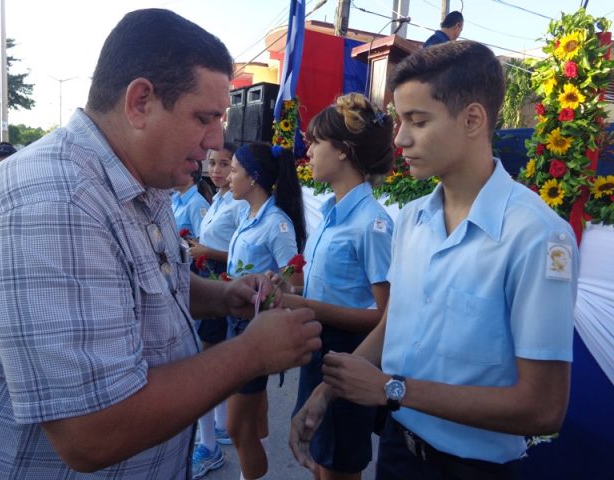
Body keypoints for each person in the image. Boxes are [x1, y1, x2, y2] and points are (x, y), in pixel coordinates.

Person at [0, 9, 321, 479]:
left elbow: (153, 281)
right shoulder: (54, 203)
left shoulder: (141, 181)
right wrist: (252, 353)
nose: (218, 138)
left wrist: (224, 296)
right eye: (204, 117)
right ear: (140, 102)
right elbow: (92, 433)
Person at [290, 41, 578, 480]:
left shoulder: (535, 236)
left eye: (417, 121)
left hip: (471, 468)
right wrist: (327, 393)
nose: (400, 138)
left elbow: (543, 409)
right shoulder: (412, 219)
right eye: (400, 121)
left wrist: (392, 389)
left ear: (473, 120)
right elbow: (395, 324)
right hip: (398, 447)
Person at [283, 92, 394, 480]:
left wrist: (307, 308)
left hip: (351, 356)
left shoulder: (371, 224)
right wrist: (288, 287)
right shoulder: (332, 213)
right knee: (317, 458)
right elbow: (324, 285)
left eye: (316, 143)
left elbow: (386, 316)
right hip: (320, 352)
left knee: (337, 466)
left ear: (344, 151)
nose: (307, 151)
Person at [226, 142, 307, 480]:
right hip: (238, 322)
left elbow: (297, 280)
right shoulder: (249, 215)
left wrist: (275, 286)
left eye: (233, 170)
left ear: (254, 177)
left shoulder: (276, 223)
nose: (228, 177)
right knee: (251, 423)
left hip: (254, 331)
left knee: (236, 429)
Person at [187, 143, 246, 479]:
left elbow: (235, 252)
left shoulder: (237, 204)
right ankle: (218, 429)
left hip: (219, 281)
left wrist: (205, 249)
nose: (218, 170)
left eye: (226, 164)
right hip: (207, 277)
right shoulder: (218, 198)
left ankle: (208, 447)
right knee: (210, 358)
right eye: (212, 163)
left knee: (207, 366)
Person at [172, 160, 212, 240]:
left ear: (191, 176)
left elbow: (203, 241)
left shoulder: (197, 204)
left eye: (178, 172)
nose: (173, 175)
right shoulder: (175, 199)